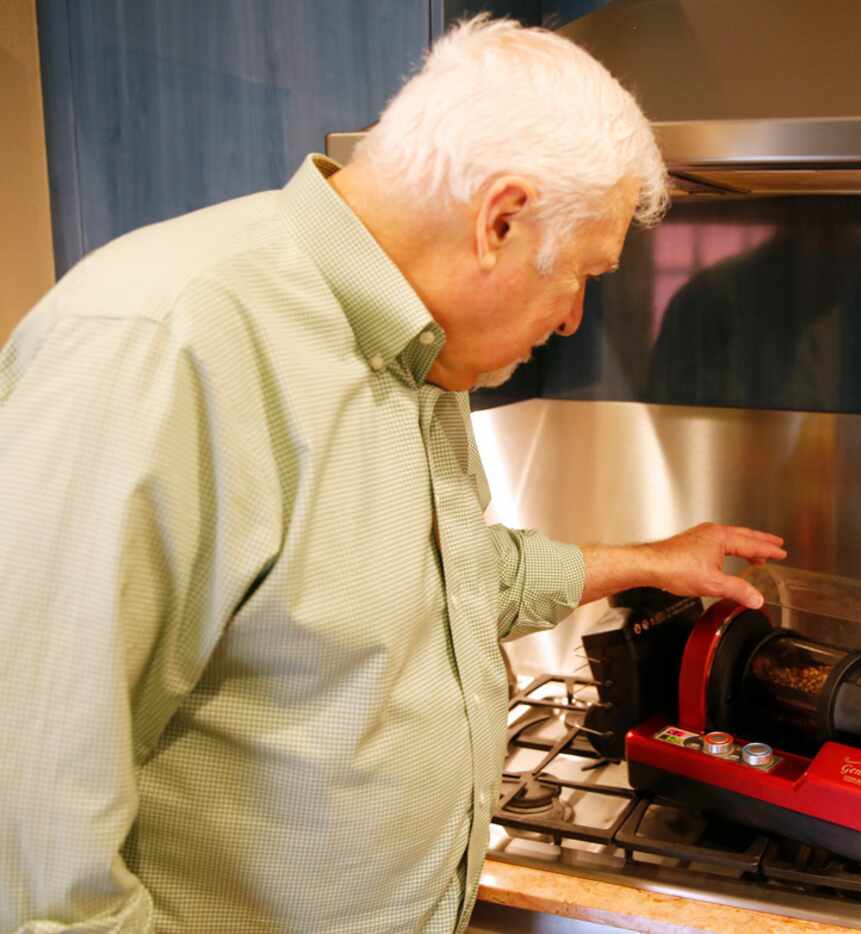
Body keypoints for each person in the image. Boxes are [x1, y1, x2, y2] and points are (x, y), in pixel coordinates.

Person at [0, 16, 784, 933]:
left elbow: (434, 584)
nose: (573, 317)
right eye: (580, 274)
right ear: (500, 219)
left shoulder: (419, 349)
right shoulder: (161, 344)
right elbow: (34, 834)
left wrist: (651, 560)